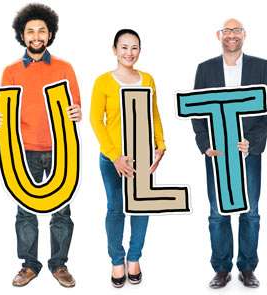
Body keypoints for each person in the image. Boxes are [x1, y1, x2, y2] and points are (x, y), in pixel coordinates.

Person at [0, 3, 82, 288]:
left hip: (60, 150)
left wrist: (77, 111)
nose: (36, 36)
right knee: (25, 210)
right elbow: (4, 112)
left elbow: (75, 105)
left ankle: (59, 264)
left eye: (42, 30)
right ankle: (29, 265)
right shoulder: (11, 71)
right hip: (23, 150)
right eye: (31, 31)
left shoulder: (65, 68)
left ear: (50, 34)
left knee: (62, 210)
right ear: (22, 35)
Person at [191, 18, 267, 289]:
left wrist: (251, 141)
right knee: (218, 213)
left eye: (236, 30)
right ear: (219, 35)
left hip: (247, 154)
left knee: (250, 212)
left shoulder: (260, 67)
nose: (232, 35)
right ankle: (221, 268)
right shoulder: (205, 70)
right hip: (217, 155)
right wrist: (205, 144)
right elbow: (196, 112)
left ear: (244, 35)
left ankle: (247, 268)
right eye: (227, 31)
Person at [89, 29, 167, 288]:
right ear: (115, 50)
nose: (129, 53)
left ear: (139, 51)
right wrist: (114, 156)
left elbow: (154, 114)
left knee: (141, 206)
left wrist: (160, 145)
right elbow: (95, 120)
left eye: (134, 48)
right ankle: (117, 260)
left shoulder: (148, 80)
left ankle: (134, 258)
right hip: (112, 159)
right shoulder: (103, 81)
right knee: (115, 208)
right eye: (124, 47)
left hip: (142, 157)